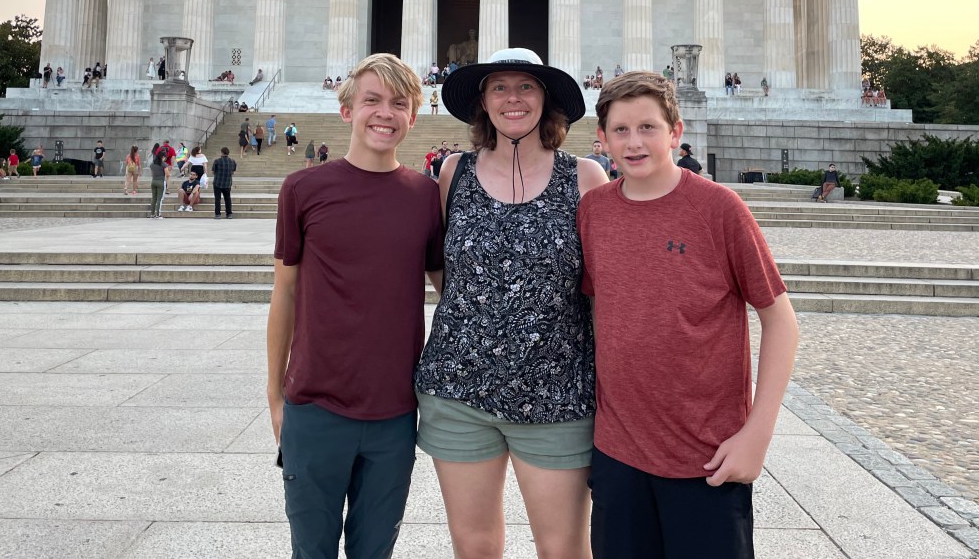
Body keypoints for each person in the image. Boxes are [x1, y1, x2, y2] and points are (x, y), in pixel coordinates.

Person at [577, 71, 799, 559]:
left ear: (675, 133)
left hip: (708, 455)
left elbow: (780, 320)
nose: (634, 143)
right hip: (619, 454)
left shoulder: (719, 208)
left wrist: (757, 434)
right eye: (620, 130)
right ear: (602, 138)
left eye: (648, 128)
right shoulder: (594, 211)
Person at [415, 47, 610, 559]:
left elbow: (606, 283)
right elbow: (440, 266)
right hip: (459, 389)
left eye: (526, 86)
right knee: (474, 545)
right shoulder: (453, 172)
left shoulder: (584, 177)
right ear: (483, 101)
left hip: (556, 395)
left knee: (564, 547)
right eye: (499, 87)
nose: (513, 98)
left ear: (546, 100)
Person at [267, 53, 444, 559]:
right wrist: (275, 394)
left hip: (394, 411)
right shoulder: (303, 189)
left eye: (398, 103)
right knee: (312, 549)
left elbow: (449, 292)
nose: (384, 113)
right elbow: (286, 294)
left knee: (375, 550)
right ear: (347, 110)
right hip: (315, 405)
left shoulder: (425, 196)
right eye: (372, 100)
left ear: (414, 116)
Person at [212, 146, 237, 218]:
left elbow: (213, 171)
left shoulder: (217, 161)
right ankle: (229, 213)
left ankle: (218, 214)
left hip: (217, 182)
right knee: (227, 198)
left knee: (217, 199)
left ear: (222, 152)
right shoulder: (232, 161)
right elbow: (233, 172)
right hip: (227, 182)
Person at [148, 143, 170, 218]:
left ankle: (152, 214)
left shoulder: (152, 164)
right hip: (161, 181)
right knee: (159, 199)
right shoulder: (164, 164)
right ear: (163, 157)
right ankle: (158, 214)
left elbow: (152, 173)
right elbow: (167, 174)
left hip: (153, 181)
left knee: (153, 198)